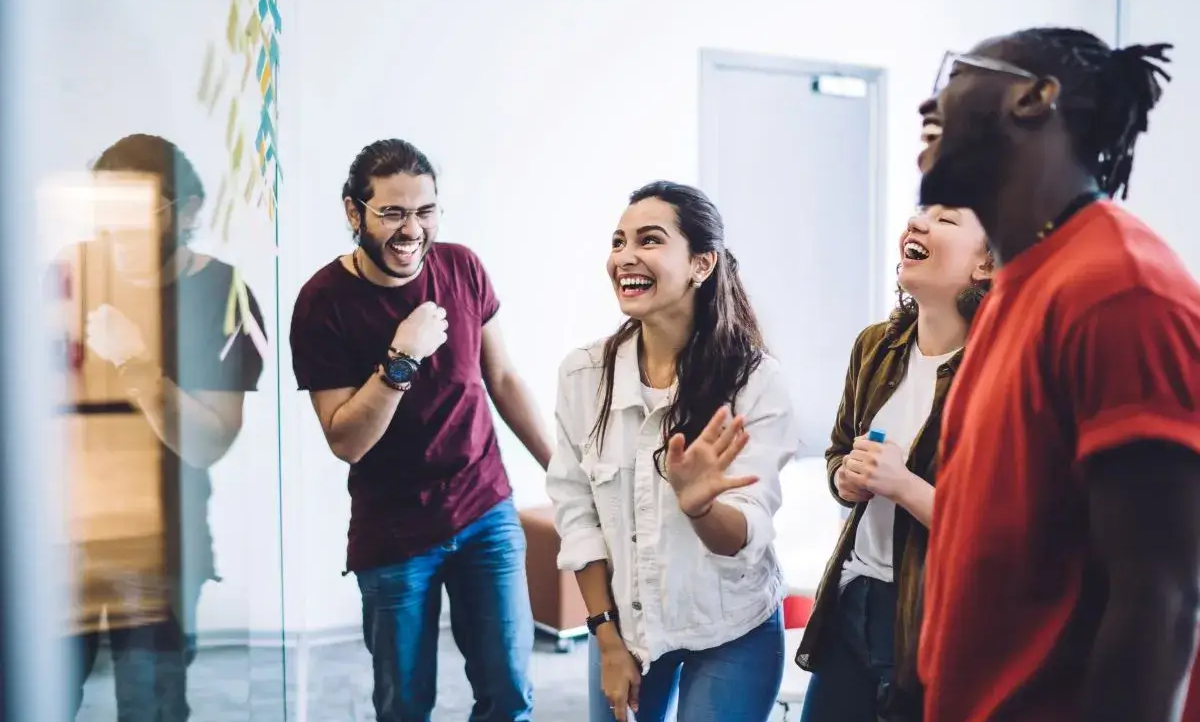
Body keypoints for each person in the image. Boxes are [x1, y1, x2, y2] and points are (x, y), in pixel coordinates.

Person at [916, 28, 1200, 722]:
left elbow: (1161, 600)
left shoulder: (1119, 290)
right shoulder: (1020, 288)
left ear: (1034, 98)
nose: (931, 98)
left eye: (956, 73)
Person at [289, 138, 552, 722]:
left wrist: (564, 470)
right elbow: (346, 440)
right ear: (353, 212)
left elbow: (502, 378)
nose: (412, 229)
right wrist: (400, 362)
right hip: (394, 533)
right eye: (392, 212)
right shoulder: (321, 303)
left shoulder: (462, 267)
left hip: (486, 511)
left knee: (509, 693)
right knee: (405, 705)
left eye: (424, 211)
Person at [546, 181, 795, 722]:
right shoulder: (584, 375)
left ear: (701, 265)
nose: (625, 257)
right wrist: (607, 640)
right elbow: (576, 511)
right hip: (625, 631)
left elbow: (744, 537)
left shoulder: (754, 381)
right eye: (618, 241)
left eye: (649, 240)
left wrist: (700, 506)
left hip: (733, 628)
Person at [61, 134, 265, 720]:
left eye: (137, 212)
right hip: (64, 534)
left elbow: (207, 443)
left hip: (158, 545)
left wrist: (134, 363)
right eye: (105, 212)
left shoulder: (223, 292)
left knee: (150, 705)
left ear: (189, 211)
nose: (117, 231)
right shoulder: (69, 271)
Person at [795, 191, 992, 722]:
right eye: (918, 215)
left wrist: (903, 486)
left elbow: (996, 533)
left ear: (986, 264)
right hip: (851, 597)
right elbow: (839, 453)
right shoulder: (876, 345)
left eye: (944, 219)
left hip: (934, 618)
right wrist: (848, 480)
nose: (915, 224)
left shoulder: (999, 372)